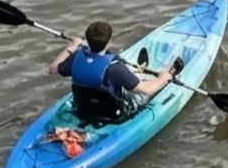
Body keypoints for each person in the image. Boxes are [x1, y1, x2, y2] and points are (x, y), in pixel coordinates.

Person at [49, 19, 183, 125]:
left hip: (83, 109)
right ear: (108, 42)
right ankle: (166, 74)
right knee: (147, 90)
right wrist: (163, 78)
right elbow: (147, 90)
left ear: (87, 40)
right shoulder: (115, 67)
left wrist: (71, 46)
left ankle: (134, 73)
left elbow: (52, 69)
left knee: (110, 83)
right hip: (113, 114)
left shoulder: (76, 56)